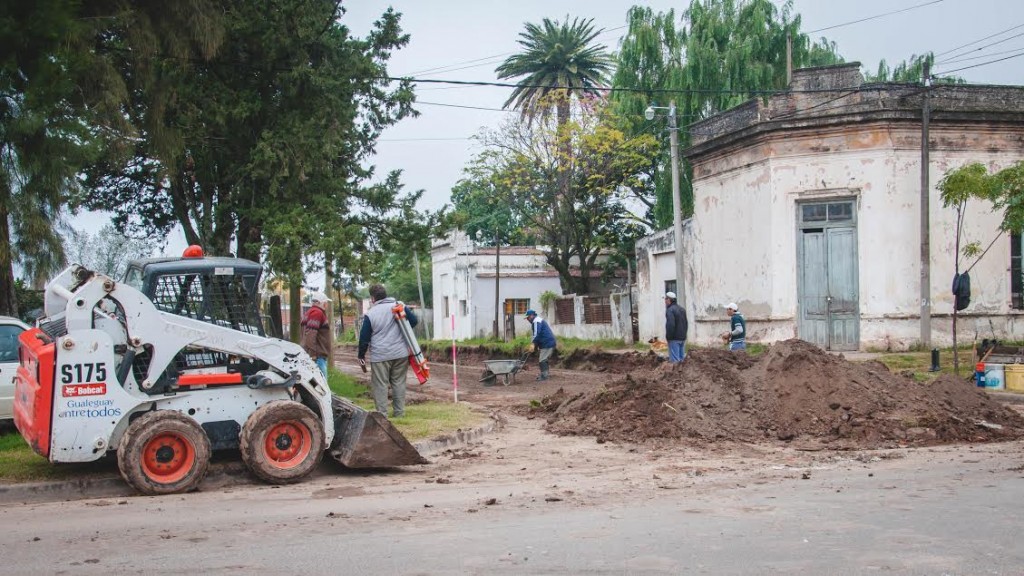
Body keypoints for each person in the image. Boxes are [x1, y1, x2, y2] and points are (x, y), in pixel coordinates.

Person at [357, 284, 418, 418]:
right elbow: (414, 321)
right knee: (399, 382)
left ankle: (382, 415)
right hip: (400, 353)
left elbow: (364, 338)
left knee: (380, 385)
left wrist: (361, 355)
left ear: (373, 298)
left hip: (380, 356)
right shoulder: (398, 305)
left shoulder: (371, 314)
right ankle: (399, 413)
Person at [301, 292, 332, 377]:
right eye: (326, 303)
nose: (326, 305)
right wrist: (313, 355)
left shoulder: (309, 312)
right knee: (322, 386)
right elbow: (310, 334)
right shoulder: (317, 313)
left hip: (313, 355)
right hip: (318, 356)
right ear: (320, 303)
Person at [525, 309, 556, 381]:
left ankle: (544, 376)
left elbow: (536, 334)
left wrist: (533, 343)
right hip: (546, 342)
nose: (527, 319)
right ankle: (545, 374)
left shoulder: (536, 321)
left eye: (528, 317)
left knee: (542, 360)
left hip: (547, 343)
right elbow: (537, 335)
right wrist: (535, 345)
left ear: (532, 316)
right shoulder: (537, 320)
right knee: (543, 359)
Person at [664, 291, 688, 362]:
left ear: (669, 300)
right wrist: (684, 335)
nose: (665, 301)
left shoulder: (670, 310)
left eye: (665, 299)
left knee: (675, 362)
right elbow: (686, 323)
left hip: (674, 339)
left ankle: (676, 373)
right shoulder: (682, 309)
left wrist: (669, 337)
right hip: (682, 338)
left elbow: (670, 325)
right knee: (681, 360)